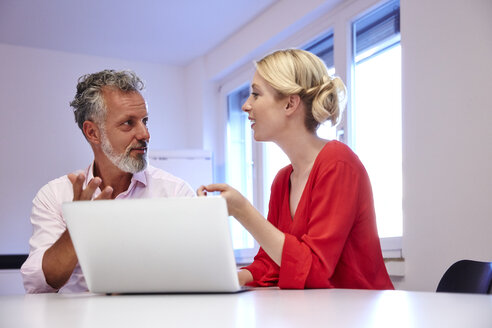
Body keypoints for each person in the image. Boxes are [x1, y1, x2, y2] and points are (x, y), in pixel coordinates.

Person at [198, 49, 394, 290]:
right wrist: (224, 277)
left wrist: (242, 212)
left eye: (256, 94)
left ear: (290, 103)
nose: (246, 106)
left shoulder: (338, 164)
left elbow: (314, 270)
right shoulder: (283, 181)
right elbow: (271, 264)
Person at [21, 70, 195, 293]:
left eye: (145, 121)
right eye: (128, 123)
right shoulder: (54, 195)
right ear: (93, 132)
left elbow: (193, 275)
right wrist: (77, 226)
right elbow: (40, 285)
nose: (145, 134)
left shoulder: (175, 193)